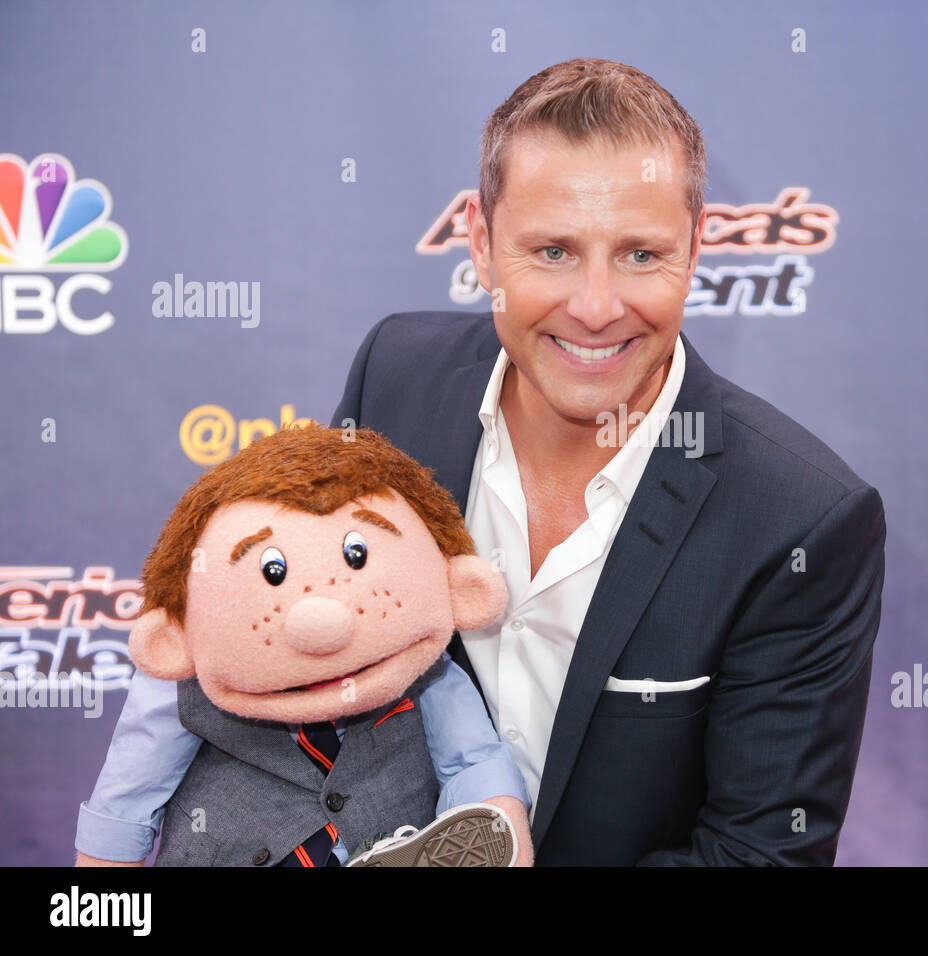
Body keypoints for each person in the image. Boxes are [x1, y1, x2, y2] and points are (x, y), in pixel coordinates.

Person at [77, 57, 885, 866]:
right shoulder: (393, 376)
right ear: (482, 242)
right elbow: (290, 656)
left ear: (698, 247)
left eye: (641, 254)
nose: (598, 307)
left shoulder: (797, 519)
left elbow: (759, 856)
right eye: (554, 251)